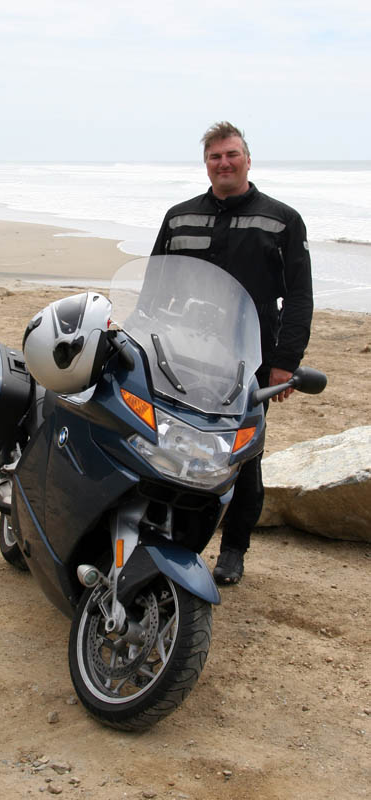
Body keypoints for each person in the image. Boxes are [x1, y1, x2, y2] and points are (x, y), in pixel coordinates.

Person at [151, 121, 313, 585]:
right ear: (206, 164)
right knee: (170, 437)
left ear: (247, 159)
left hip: (251, 358)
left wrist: (285, 361)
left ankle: (234, 548)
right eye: (215, 157)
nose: (224, 163)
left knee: (242, 453)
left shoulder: (282, 219)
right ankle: (168, 532)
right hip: (180, 352)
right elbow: (155, 284)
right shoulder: (180, 216)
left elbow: (299, 297)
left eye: (232, 154)